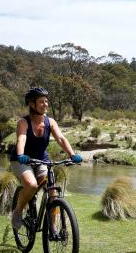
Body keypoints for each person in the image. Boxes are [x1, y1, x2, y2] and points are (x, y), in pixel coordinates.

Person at [10, 87, 82, 230]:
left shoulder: (51, 122)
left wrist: (72, 155)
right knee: (31, 185)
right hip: (22, 160)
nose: (46, 104)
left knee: (52, 191)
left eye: (46, 101)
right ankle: (17, 212)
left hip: (42, 159)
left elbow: (61, 138)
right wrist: (20, 155)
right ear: (32, 104)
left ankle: (52, 226)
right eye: (42, 102)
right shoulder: (23, 122)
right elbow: (21, 139)